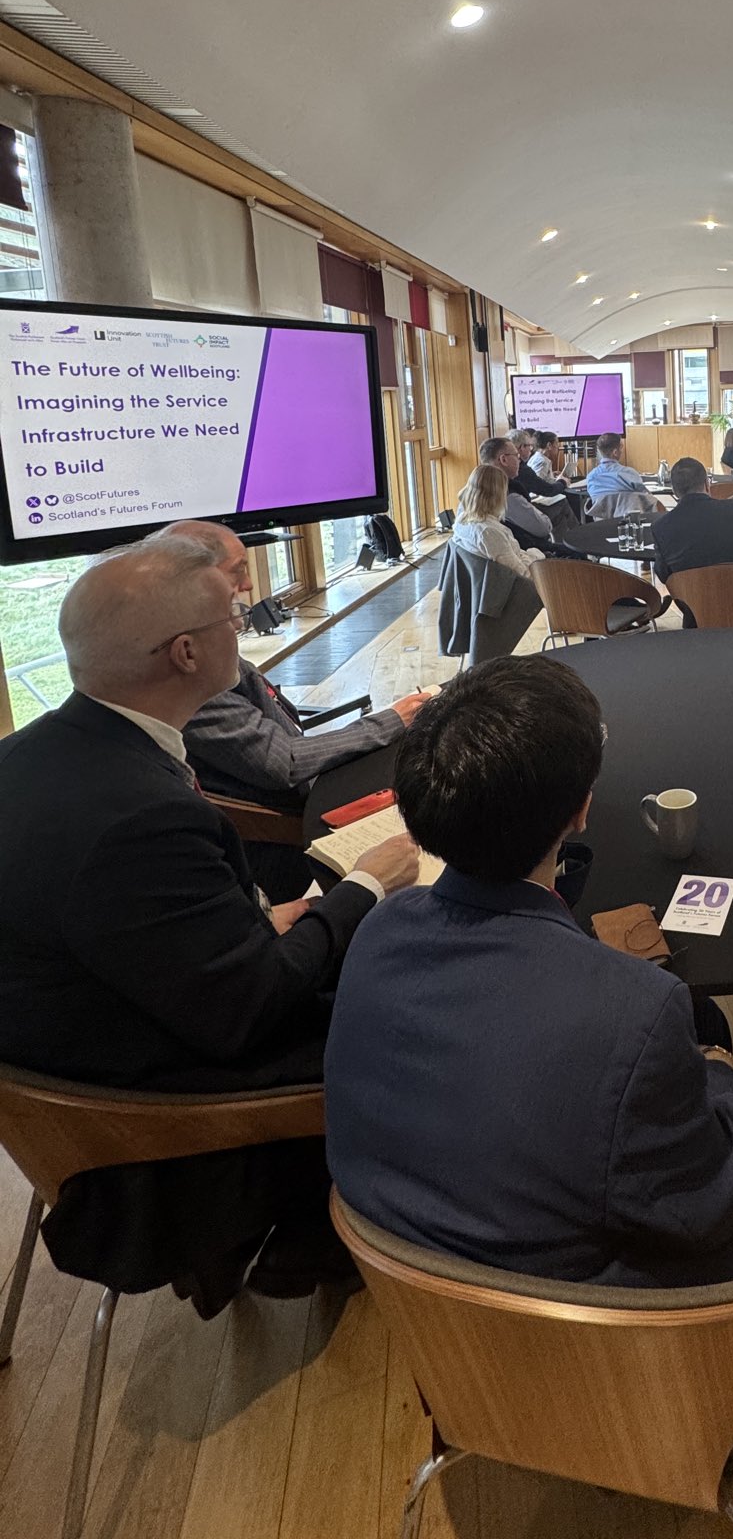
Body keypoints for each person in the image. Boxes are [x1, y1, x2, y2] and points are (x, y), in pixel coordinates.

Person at [324, 655, 733, 1463]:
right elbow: (707, 1210)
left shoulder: (379, 932)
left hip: (447, 1352)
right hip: (629, 1379)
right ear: (582, 809)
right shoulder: (634, 1010)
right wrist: (716, 1072)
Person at [0, 540, 419, 1313]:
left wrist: (259, 919)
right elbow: (248, 1012)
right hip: (153, 1097)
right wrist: (364, 886)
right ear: (187, 652)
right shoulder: (143, 816)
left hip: (75, 1052)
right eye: (232, 615)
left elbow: (129, 929)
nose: (246, 621)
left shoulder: (28, 758)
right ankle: (331, 1232)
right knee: (414, 1004)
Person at [160, 521, 430, 900]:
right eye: (238, 569)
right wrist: (391, 720)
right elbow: (283, 762)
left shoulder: (209, 647)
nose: (250, 587)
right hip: (282, 838)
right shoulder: (192, 672)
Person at [652, 456, 733, 625]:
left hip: (699, 617)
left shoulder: (661, 528)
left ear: (674, 491)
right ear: (707, 484)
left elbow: (665, 576)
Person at [454, 464, 547, 575]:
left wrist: (528, 556)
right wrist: (536, 555)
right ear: (497, 494)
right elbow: (523, 574)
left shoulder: (462, 521)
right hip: (522, 588)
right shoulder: (489, 532)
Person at [583, 432, 664, 517]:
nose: (622, 451)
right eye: (621, 448)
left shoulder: (591, 477)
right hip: (632, 522)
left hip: (602, 523)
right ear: (615, 452)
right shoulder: (629, 473)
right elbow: (646, 497)